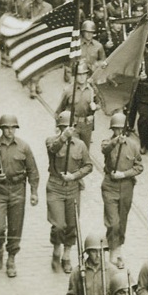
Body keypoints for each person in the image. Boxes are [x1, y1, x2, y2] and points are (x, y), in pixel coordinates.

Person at [0, 113, 41, 278]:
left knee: (15, 227)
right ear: (1, 129)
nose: (9, 131)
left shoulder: (24, 147)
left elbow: (33, 171)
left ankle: (11, 258)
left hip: (17, 190)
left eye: (12, 127)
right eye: (6, 128)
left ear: (16, 128)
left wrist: (34, 192)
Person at [45, 110, 93, 272]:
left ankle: (66, 254)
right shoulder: (52, 140)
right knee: (58, 225)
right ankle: (56, 249)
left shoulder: (80, 145)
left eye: (69, 127)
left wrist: (74, 176)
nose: (66, 130)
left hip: (73, 188)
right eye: (63, 127)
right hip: (55, 187)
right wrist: (63, 137)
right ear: (58, 127)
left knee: (72, 224)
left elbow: (88, 166)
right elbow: (52, 149)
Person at [100, 111, 143, 268]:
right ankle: (113, 249)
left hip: (126, 187)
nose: (119, 132)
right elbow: (104, 149)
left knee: (122, 221)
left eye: (121, 129)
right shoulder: (107, 142)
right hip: (110, 186)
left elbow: (139, 167)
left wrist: (124, 174)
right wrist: (115, 142)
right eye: (116, 129)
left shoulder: (133, 146)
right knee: (113, 222)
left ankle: (117, 249)